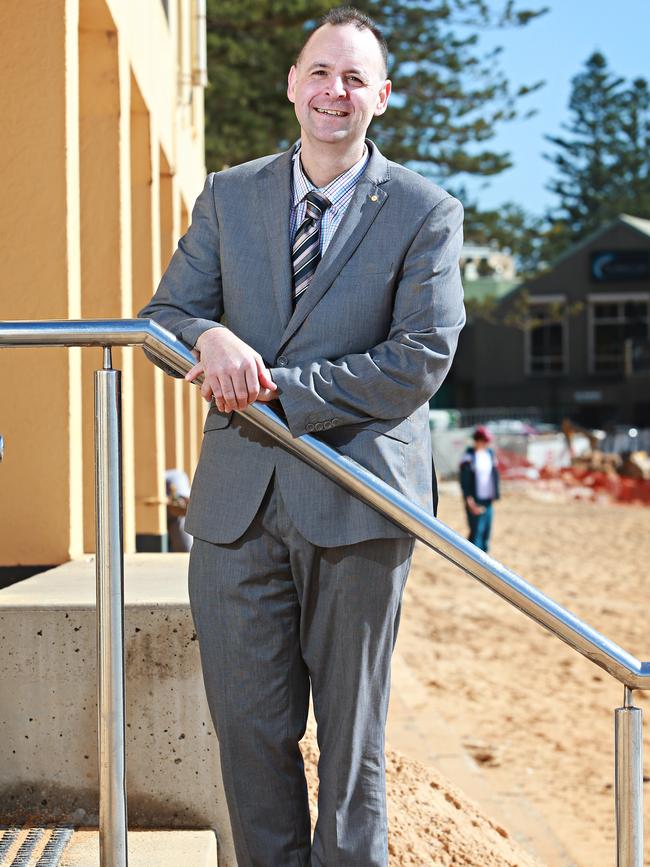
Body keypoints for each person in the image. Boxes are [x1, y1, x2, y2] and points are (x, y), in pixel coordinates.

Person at [139, 8, 465, 866]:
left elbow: (420, 357)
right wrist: (208, 339)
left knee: (352, 749)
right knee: (249, 736)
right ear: (293, 82)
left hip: (357, 502)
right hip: (235, 507)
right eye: (320, 72)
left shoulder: (428, 211)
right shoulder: (227, 193)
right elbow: (165, 315)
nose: (334, 92)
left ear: (382, 98)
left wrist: (280, 389)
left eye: (355, 78)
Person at [460, 425, 500, 552]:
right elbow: (464, 481)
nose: (487, 443)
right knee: (476, 533)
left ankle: (484, 565)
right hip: (475, 500)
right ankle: (472, 565)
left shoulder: (490, 454)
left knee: (486, 534)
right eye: (484, 440)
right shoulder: (469, 457)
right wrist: (470, 501)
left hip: (487, 500)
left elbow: (494, 475)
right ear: (477, 440)